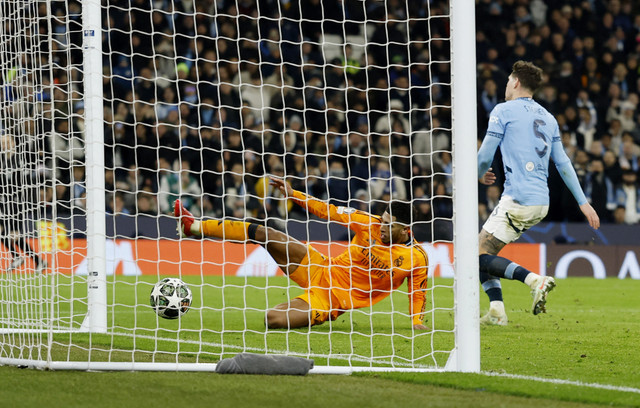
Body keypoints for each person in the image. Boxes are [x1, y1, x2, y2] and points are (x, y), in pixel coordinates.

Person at [174, 177, 430, 330]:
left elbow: (417, 290)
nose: (381, 226)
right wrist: (293, 194)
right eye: (382, 220)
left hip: (331, 300)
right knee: (267, 233)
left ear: (405, 230)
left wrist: (416, 320)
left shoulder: (417, 257)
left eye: (388, 224)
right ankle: (194, 227)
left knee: (272, 319)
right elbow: (326, 209)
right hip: (320, 267)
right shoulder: (367, 222)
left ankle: (304, 307)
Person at [477, 61, 600, 325]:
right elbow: (564, 162)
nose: (507, 86)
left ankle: (535, 280)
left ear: (517, 82)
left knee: (475, 255)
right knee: (486, 253)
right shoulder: (548, 117)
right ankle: (497, 311)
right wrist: (583, 202)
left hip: (518, 198)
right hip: (540, 202)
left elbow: (485, 154)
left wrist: (476, 174)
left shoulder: (503, 110)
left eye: (509, 81)